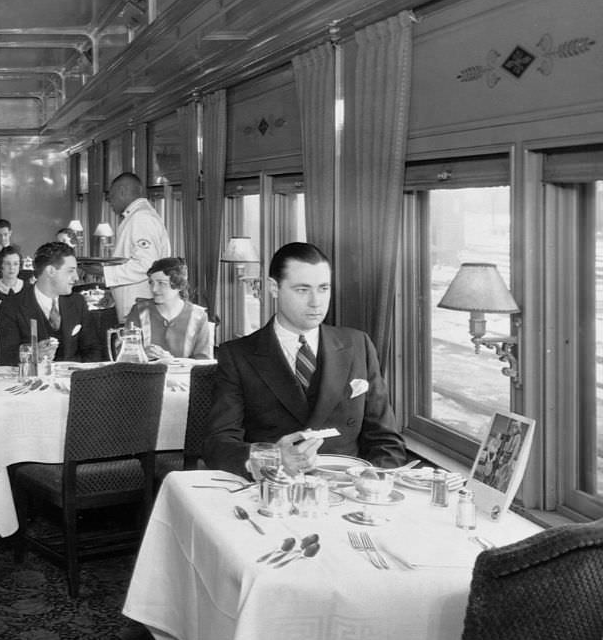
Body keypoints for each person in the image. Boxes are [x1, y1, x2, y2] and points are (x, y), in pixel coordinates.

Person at [201, 242, 407, 479]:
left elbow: (386, 440)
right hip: (272, 490)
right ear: (273, 288)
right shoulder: (238, 355)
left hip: (347, 490)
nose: (316, 302)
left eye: (323, 288)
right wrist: (269, 460)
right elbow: (217, 444)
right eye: (302, 290)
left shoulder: (358, 345)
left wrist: (372, 484)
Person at [0, 241, 106, 365]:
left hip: (73, 380)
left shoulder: (77, 302)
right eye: (70, 271)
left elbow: (94, 350)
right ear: (51, 271)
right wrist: (32, 354)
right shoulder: (12, 306)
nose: (76, 278)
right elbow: (4, 358)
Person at [91, 172, 172, 320]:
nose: (110, 204)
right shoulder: (136, 216)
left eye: (111, 198)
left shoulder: (141, 218)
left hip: (140, 306)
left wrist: (105, 272)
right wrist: (113, 293)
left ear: (122, 191)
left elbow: (147, 264)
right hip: (134, 304)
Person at [124, 257, 213, 360]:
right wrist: (141, 354)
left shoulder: (198, 316)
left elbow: (204, 363)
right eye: (151, 283)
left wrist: (171, 361)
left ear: (179, 285)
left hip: (184, 376)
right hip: (145, 375)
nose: (154, 289)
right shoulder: (139, 311)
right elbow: (125, 354)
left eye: (161, 283)